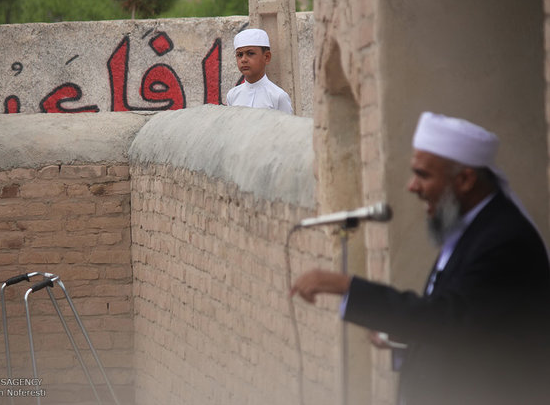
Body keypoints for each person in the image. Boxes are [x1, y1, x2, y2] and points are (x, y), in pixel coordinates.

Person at [290, 112, 550, 405]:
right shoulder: (472, 228)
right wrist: (403, 340)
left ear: (465, 179)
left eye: (423, 175)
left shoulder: (504, 240)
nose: (412, 187)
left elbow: (446, 318)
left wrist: (346, 286)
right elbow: (467, 328)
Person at [226, 28, 293, 114]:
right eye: (239, 55)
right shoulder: (232, 95)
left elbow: (286, 126)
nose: (243, 59)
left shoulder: (278, 96)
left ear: (266, 57)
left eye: (250, 53)